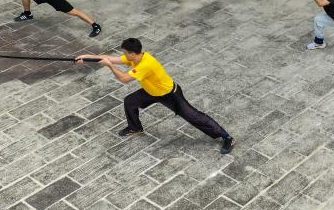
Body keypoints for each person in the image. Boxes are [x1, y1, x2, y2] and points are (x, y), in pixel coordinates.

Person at [76, 38, 234, 154]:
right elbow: (111, 58)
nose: (122, 55)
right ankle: (135, 128)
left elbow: (123, 79)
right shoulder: (136, 57)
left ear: (132, 53)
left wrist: (110, 67)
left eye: (124, 53)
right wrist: (87, 57)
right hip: (151, 91)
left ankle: (226, 137)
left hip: (170, 94)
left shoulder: (145, 64)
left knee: (194, 117)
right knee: (130, 102)